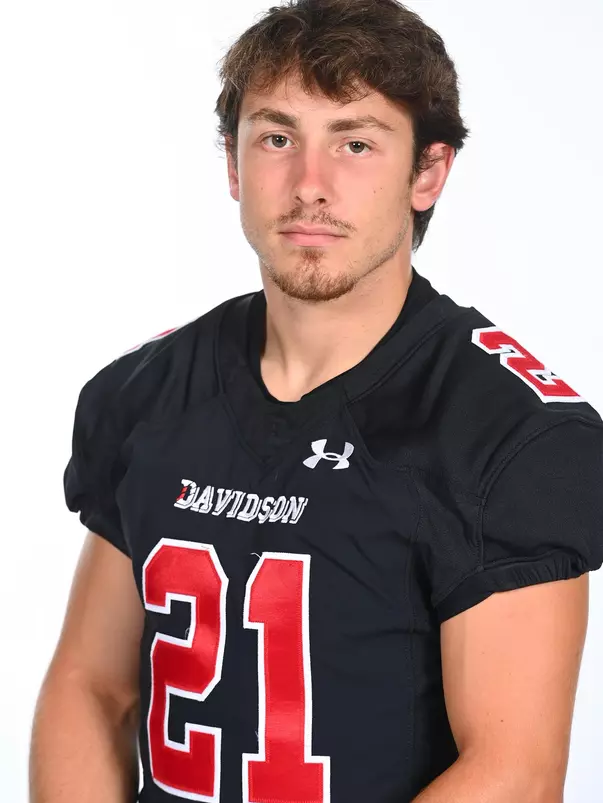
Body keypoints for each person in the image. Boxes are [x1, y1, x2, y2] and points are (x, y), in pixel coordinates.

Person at [29, 1, 603, 801]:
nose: (309, 185)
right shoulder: (147, 390)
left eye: (356, 143)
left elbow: (513, 771)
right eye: (276, 138)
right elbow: (91, 685)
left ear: (428, 172)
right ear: (233, 163)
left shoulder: (509, 434)